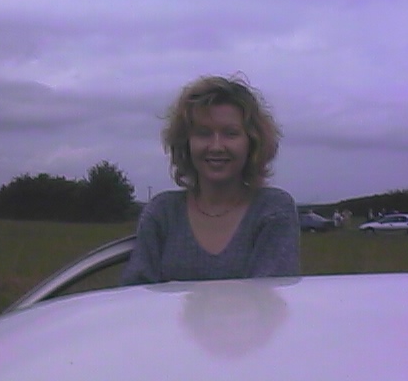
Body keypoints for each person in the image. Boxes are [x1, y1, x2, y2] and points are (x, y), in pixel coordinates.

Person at [120, 74, 300, 285]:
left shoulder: (272, 209)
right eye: (203, 133)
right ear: (186, 142)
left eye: (230, 133)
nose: (216, 146)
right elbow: (136, 293)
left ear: (252, 142)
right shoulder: (163, 212)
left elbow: (270, 294)